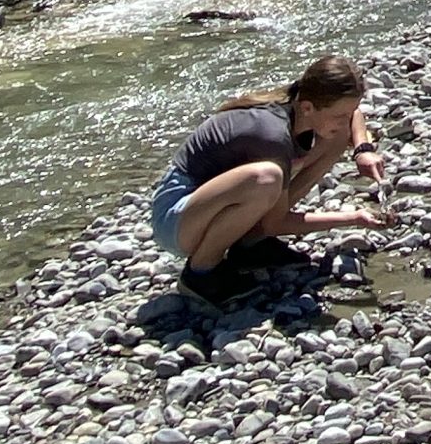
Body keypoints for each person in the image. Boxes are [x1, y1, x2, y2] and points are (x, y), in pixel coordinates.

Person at [150, 54, 392, 307]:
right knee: (266, 179)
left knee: (337, 136)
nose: (347, 118)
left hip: (204, 208)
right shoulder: (271, 136)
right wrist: (354, 218)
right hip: (175, 218)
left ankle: (251, 245)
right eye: (339, 114)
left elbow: (354, 116)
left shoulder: (301, 105)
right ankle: (200, 274)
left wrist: (362, 149)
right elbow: (276, 224)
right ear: (308, 107)